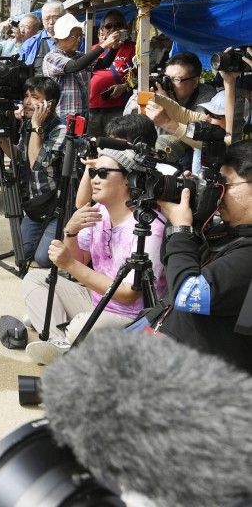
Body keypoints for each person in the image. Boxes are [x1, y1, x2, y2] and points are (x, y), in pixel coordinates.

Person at [23, 148, 167, 365]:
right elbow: (80, 261)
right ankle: (60, 341)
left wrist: (69, 264)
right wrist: (70, 232)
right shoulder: (99, 210)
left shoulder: (149, 226)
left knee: (81, 327)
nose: (94, 180)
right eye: (92, 173)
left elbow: (128, 295)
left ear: (129, 179)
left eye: (103, 173)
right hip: (96, 301)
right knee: (34, 280)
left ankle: (62, 335)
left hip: (130, 319)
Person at [158, 140, 252, 374]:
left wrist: (183, 229)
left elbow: (187, 294)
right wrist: (192, 215)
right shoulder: (223, 232)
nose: (217, 191)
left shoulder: (247, 255)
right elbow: (169, 259)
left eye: (224, 183)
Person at [13, 76, 67, 268]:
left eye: (34, 97)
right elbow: (21, 157)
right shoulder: (28, 125)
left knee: (44, 259)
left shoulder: (61, 130)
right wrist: (1, 136)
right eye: (26, 96)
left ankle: (66, 236)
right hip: (35, 205)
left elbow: (37, 162)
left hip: (56, 206)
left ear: (49, 104)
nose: (27, 102)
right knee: (22, 253)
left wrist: (36, 127)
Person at [133, 52, 217, 168]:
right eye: (166, 78)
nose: (168, 84)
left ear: (195, 81)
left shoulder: (207, 95)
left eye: (176, 79)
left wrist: (169, 105)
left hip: (188, 155)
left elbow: (197, 128)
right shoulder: (154, 93)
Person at [43, 12, 121, 119]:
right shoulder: (51, 57)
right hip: (61, 118)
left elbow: (104, 63)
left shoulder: (78, 56)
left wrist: (114, 47)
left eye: (80, 35)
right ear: (61, 37)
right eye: (75, 36)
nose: (79, 40)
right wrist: (104, 45)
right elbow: (75, 66)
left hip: (81, 117)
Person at [75, 113, 158, 209]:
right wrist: (91, 166)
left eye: (115, 143)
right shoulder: (111, 168)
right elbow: (81, 205)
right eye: (110, 141)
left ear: (138, 146)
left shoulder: (147, 177)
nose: (110, 147)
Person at [87, 10, 135, 137]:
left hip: (118, 108)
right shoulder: (95, 49)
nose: (113, 29)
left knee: (115, 145)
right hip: (92, 108)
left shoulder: (133, 48)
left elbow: (142, 77)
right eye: (109, 26)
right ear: (102, 30)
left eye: (118, 25)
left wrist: (125, 87)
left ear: (124, 28)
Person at [18, 1, 63, 74]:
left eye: (55, 18)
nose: (51, 22)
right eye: (47, 18)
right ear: (42, 20)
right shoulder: (30, 43)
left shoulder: (76, 40)